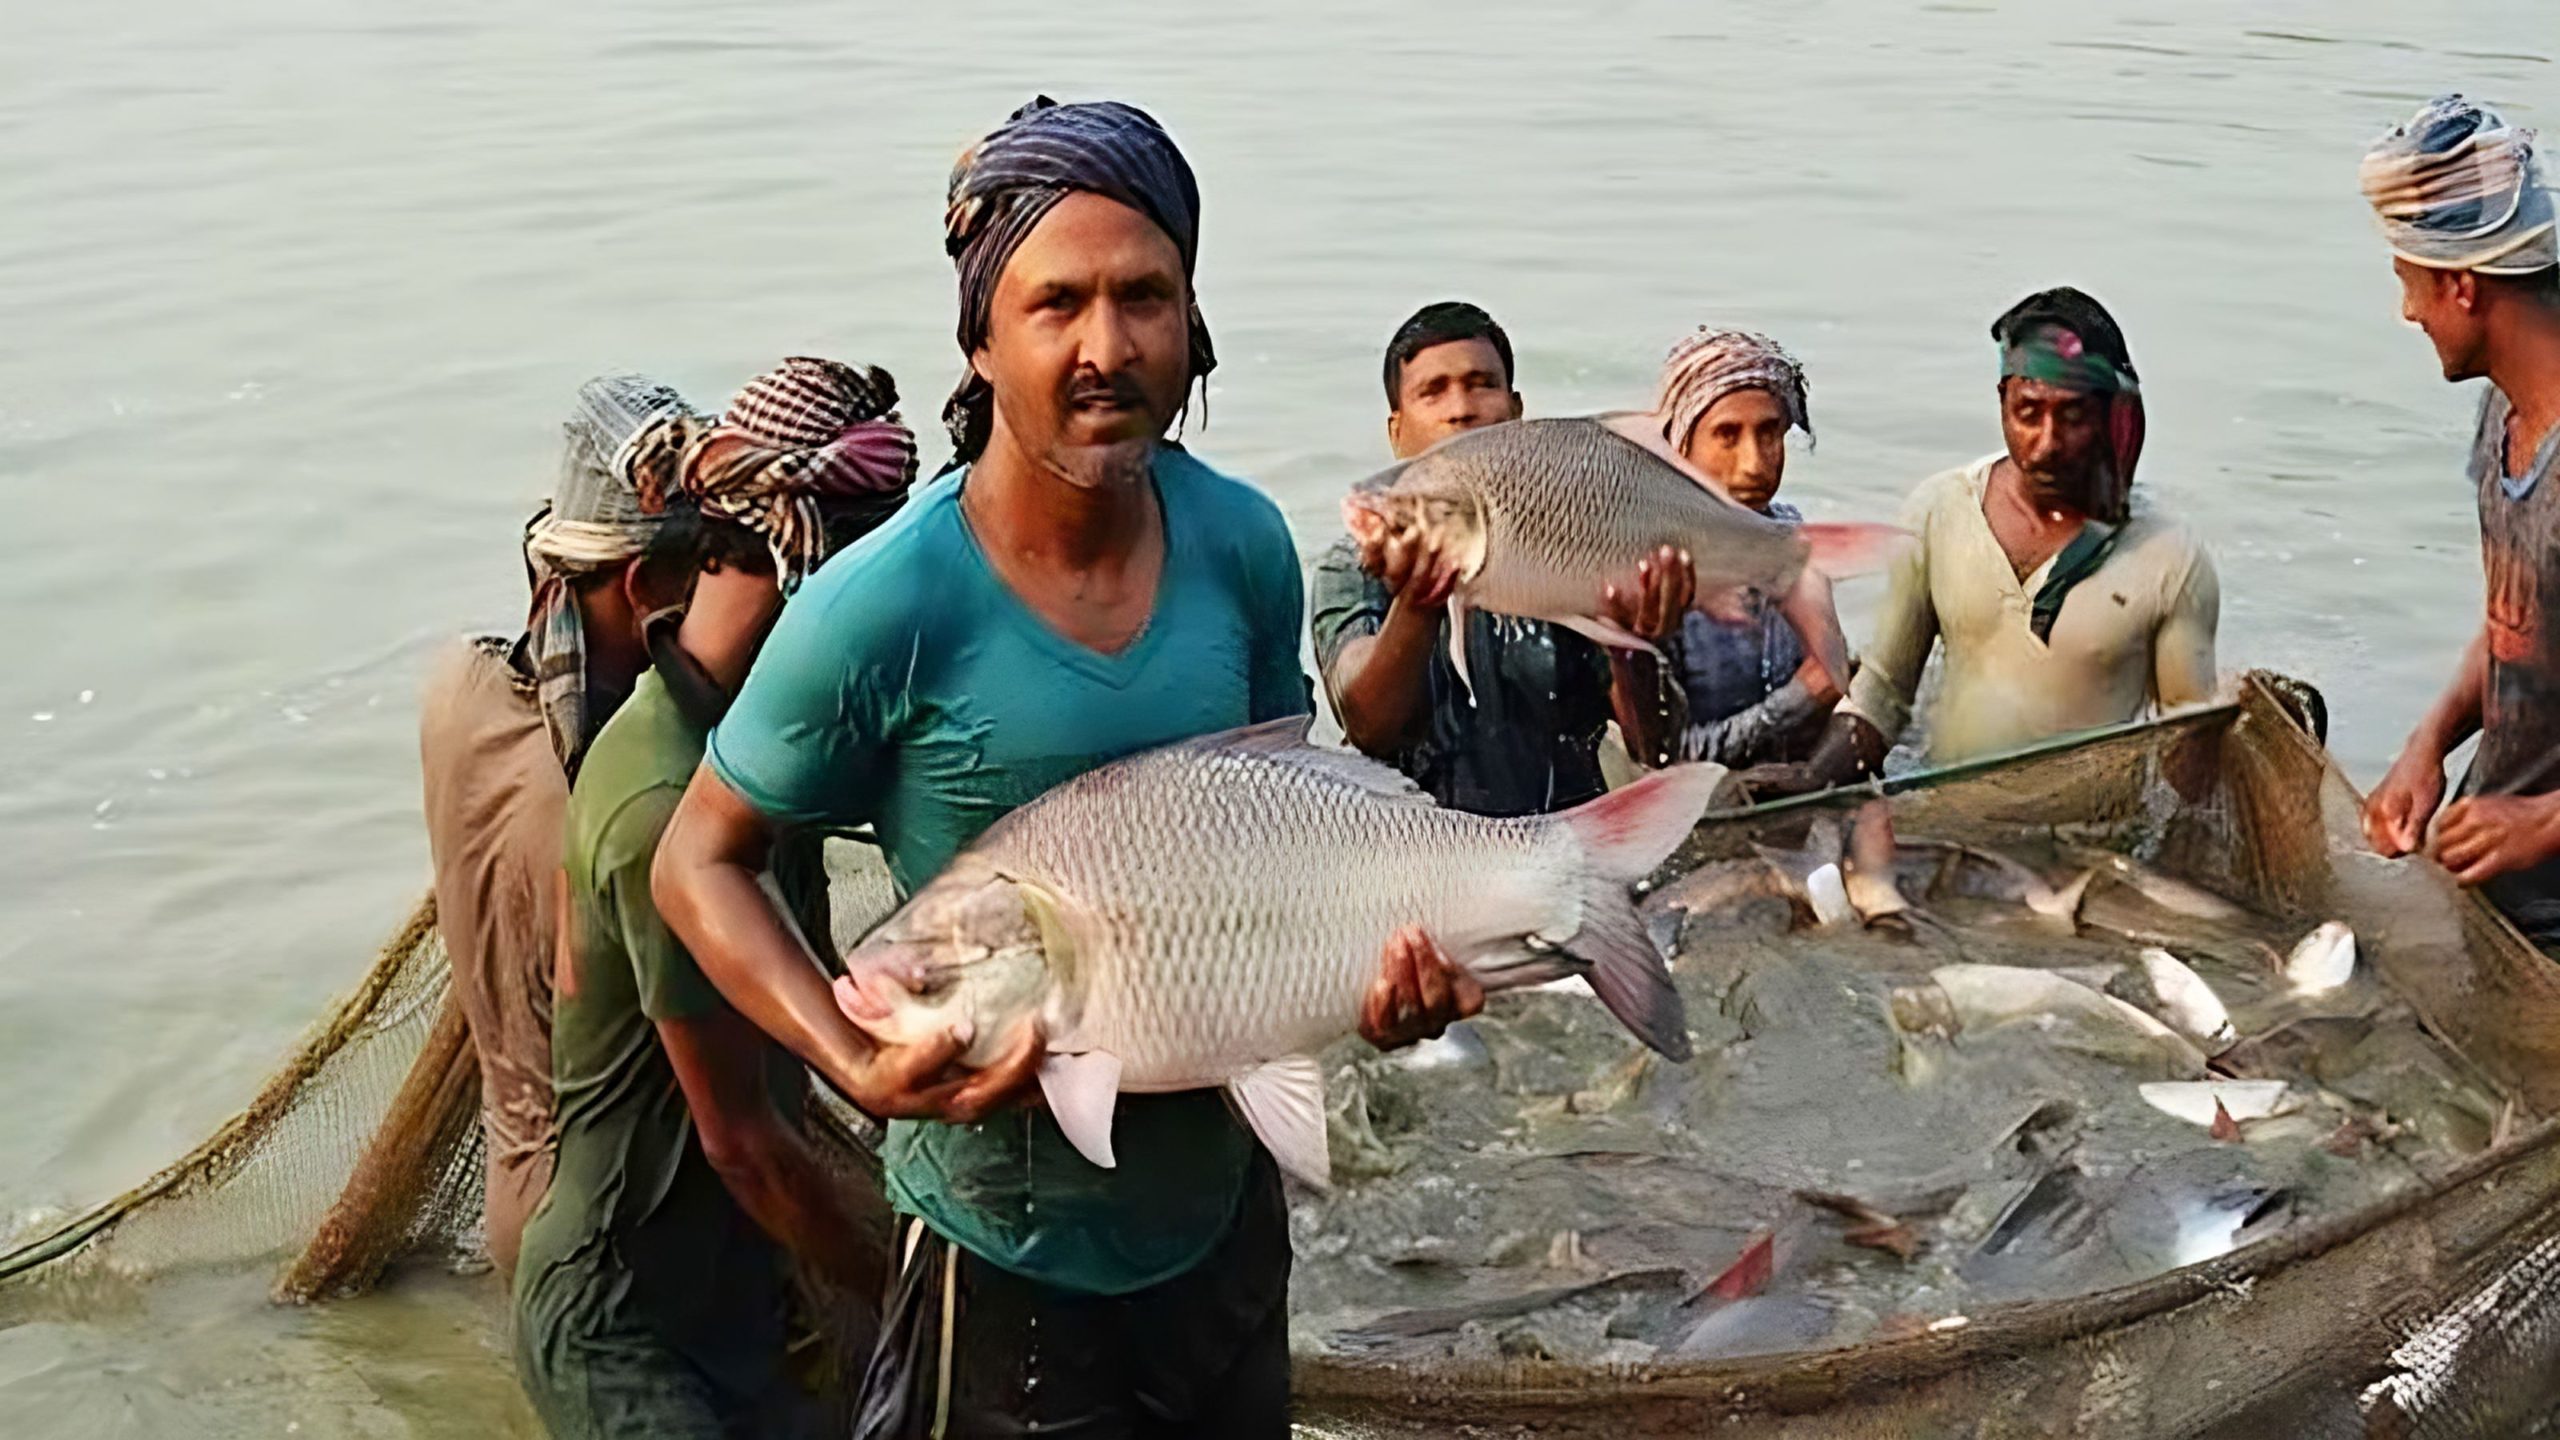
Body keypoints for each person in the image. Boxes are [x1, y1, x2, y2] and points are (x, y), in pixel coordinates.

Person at [648, 98, 1478, 1438]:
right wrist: (844, 1057)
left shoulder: (1245, 547)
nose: (1107, 347)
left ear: (1192, 321)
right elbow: (696, 857)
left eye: (1146, 297)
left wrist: (1366, 987)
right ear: (982, 333)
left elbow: (1286, 821)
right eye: (1058, 304)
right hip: (1003, 1263)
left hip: (1223, 1232)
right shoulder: (888, 601)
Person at [514, 358, 921, 1438]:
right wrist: (910, 1300)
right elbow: (743, 1141)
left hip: (735, 1285)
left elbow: (823, 1001)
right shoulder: (662, 802)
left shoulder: (767, 750)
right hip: (622, 1319)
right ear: (811, 585)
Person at [412, 374, 706, 1282]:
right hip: (614, 1218)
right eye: (701, 570)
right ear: (640, 582)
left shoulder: (459, 693)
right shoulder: (618, 807)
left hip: (518, 1183)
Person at [1749, 287, 2219, 794]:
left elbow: (2186, 763)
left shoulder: (2168, 558)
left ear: (2111, 418)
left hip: (2090, 839)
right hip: (1946, 813)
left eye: (2074, 417)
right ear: (2003, 401)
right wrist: (1813, 778)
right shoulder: (1941, 511)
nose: (2046, 445)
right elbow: (1885, 691)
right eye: (2029, 412)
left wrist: (2229, 723)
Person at [1311, 302, 1691, 813]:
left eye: (1481, 383)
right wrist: (1420, 599)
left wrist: (1633, 645)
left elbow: (1654, 748)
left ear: (1515, 412)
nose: (1461, 408)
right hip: (1413, 855)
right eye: (1432, 391)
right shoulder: (1356, 563)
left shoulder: (1576, 541)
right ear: (1396, 432)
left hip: (1567, 840)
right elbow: (1368, 726)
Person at [2356, 96, 2560, 947]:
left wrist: (2543, 823)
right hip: (2503, 887)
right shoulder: (2502, 416)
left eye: (2412, 286)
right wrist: (2427, 743)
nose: (2409, 314)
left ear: (2463, 288)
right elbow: (2517, 624)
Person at [1645, 327, 1842, 767]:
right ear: (1681, 447)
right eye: (1727, 436)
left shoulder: (1792, 536)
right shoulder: (1655, 571)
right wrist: (1801, 699)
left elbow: (1831, 684)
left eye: (1770, 432)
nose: (1754, 464)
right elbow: (1664, 759)